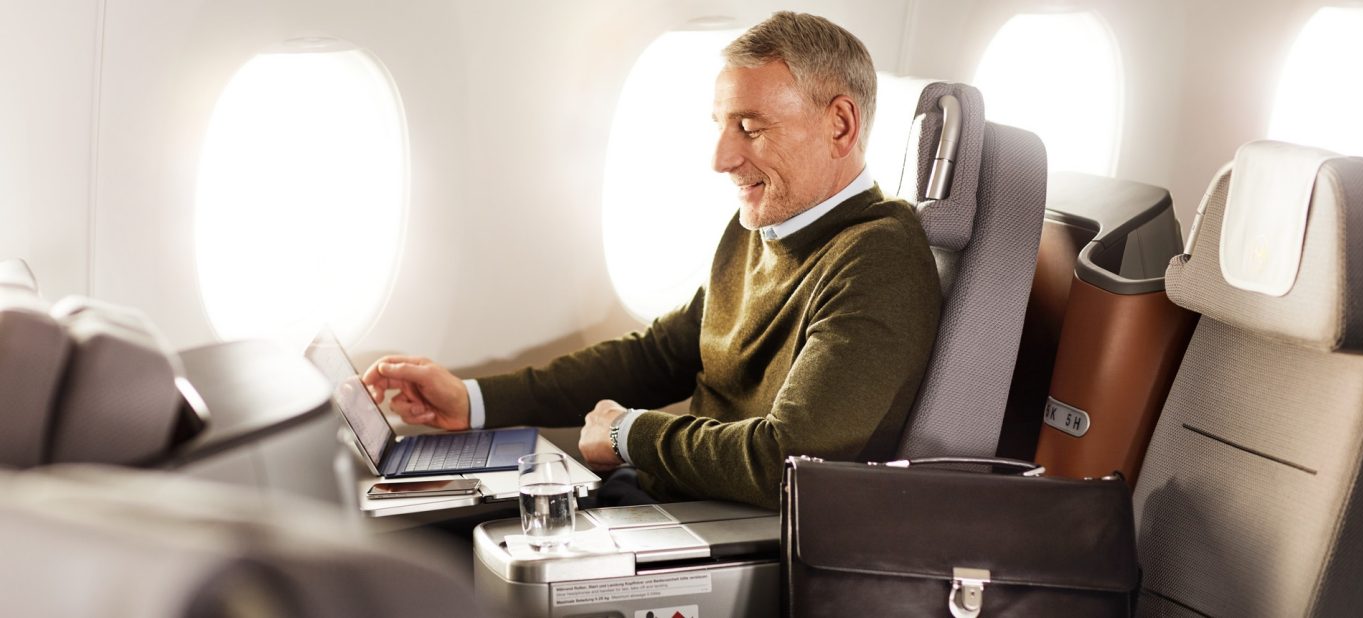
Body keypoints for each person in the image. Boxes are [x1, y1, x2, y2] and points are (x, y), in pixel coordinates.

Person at [362, 11, 941, 509]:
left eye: (750, 127)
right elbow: (659, 355)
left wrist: (628, 434)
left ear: (840, 125)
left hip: (726, 532)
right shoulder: (758, 228)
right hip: (671, 497)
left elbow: (783, 460)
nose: (721, 157)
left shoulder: (878, 259)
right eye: (720, 125)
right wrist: (476, 400)